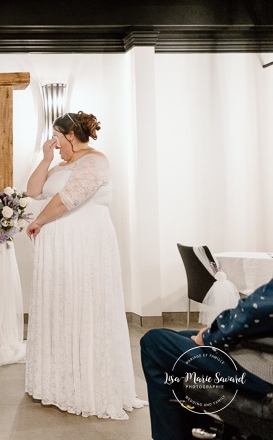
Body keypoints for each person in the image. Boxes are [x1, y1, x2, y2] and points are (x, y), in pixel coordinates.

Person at [24, 111, 144, 419]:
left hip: (84, 246)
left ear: (71, 136)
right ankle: (58, 383)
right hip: (59, 249)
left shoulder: (95, 161)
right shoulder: (60, 164)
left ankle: (88, 386)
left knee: (84, 306)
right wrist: (46, 158)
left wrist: (38, 221)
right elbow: (33, 191)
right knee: (60, 307)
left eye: (57, 137)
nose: (54, 142)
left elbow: (69, 198)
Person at [141, 279, 273, 440]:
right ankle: (205, 427)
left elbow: (255, 310)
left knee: (154, 343)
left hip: (266, 366)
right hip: (262, 343)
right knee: (180, 337)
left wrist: (210, 336)